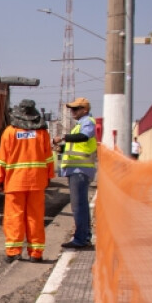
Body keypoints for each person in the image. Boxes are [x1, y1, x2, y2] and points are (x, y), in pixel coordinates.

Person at [0, 99, 55, 262]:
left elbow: (2, 159)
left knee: (14, 216)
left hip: (15, 182)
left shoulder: (9, 132)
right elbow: (49, 158)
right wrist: (48, 177)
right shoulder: (42, 133)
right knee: (35, 216)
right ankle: (36, 253)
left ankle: (14, 252)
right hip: (37, 181)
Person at [54, 97, 98, 249]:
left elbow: (84, 137)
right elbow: (79, 146)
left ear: (84, 110)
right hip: (77, 170)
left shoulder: (87, 122)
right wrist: (63, 149)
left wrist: (64, 137)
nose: (72, 112)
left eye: (75, 109)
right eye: (71, 109)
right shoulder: (79, 125)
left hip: (80, 170)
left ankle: (81, 239)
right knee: (81, 205)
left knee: (78, 206)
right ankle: (84, 237)